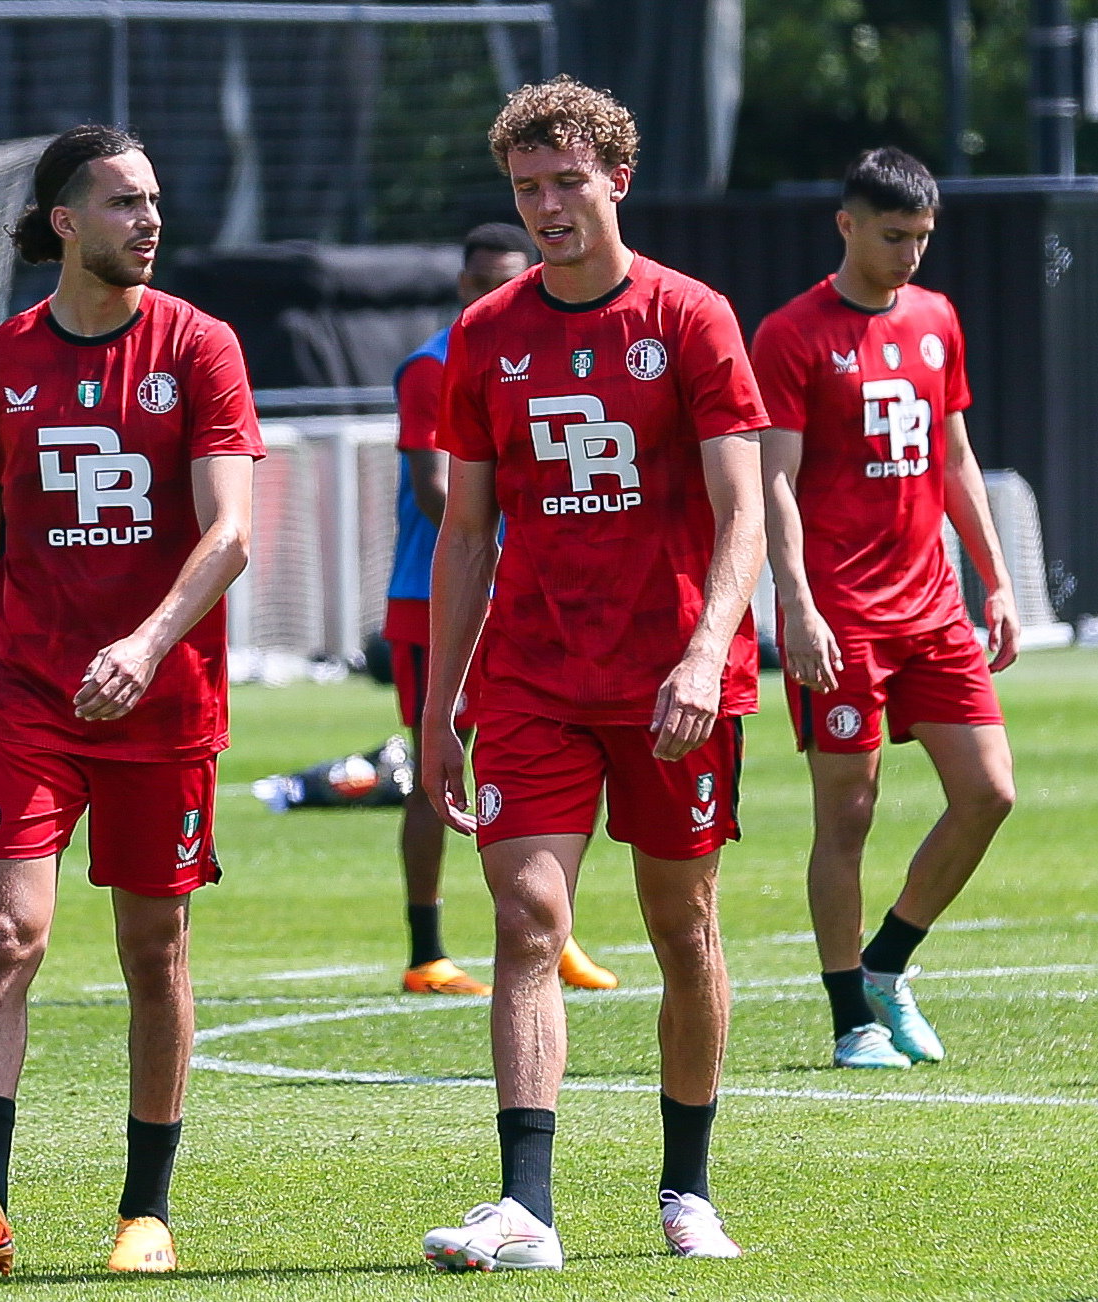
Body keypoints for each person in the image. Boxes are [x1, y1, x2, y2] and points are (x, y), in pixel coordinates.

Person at [417, 77, 766, 1270]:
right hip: (531, 682)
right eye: (529, 189)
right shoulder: (488, 332)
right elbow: (467, 535)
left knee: (684, 927)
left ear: (617, 177)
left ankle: (687, 1190)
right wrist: (437, 707)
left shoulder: (692, 317)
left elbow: (742, 512)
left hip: (673, 681)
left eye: (568, 182)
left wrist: (706, 652)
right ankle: (526, 1208)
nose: (550, 206)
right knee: (527, 920)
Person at [0, 125, 260, 1278]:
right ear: (65, 221)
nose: (149, 220)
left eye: (155, 199)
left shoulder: (201, 348)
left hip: (164, 703)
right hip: (29, 704)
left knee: (153, 945)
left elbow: (232, 531)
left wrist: (148, 642)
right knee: (5, 933)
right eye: (123, 202)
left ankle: (145, 1210)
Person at [751, 147, 1017, 1071]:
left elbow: (954, 458)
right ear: (847, 226)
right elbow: (772, 484)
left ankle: (885, 966)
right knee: (848, 814)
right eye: (894, 236)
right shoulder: (790, 335)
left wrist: (999, 580)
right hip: (842, 614)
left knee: (988, 791)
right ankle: (848, 1021)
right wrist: (798, 603)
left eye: (922, 239)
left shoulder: (937, 317)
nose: (910, 255)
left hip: (933, 607)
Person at [386, 222, 618, 998]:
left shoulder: (551, 349)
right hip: (436, 598)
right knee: (436, 762)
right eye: (482, 280)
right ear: (463, 284)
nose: (494, 293)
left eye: (507, 279)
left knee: (549, 756)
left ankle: (557, 934)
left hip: (520, 596)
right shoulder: (431, 365)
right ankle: (425, 948)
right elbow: (435, 493)